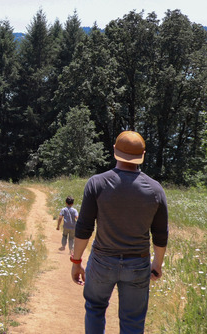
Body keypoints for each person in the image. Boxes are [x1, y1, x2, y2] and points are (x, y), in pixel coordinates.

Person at [70, 130, 169, 334]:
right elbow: (160, 234)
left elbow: (84, 228)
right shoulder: (156, 189)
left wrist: (77, 262)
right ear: (142, 155)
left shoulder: (96, 183)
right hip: (138, 263)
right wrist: (157, 264)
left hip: (102, 261)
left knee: (95, 309)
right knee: (133, 320)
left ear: (114, 150)